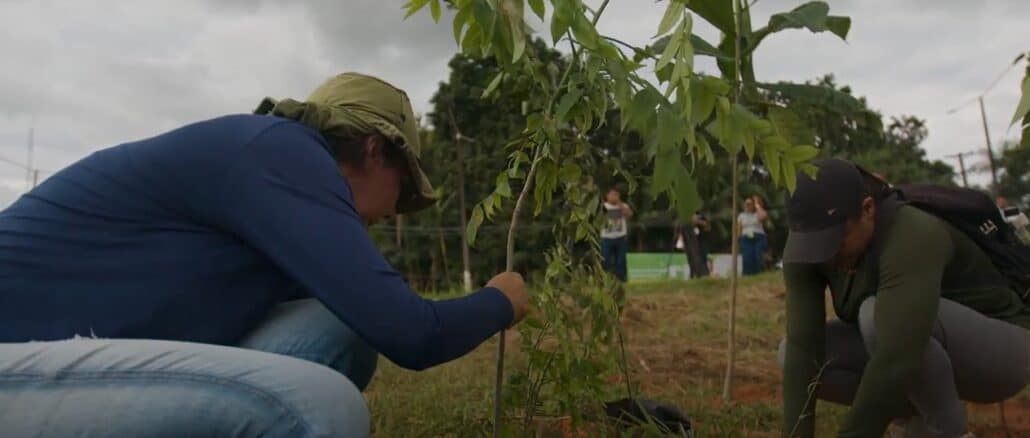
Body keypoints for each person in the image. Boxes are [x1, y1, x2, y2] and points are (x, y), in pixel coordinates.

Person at [0, 73, 531, 437]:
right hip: (12, 363)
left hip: (56, 362)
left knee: (337, 328)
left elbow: (370, 314)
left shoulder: (274, 181)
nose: (394, 212)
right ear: (374, 149)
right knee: (318, 405)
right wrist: (499, 300)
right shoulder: (282, 153)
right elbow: (414, 334)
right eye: (403, 187)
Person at [777, 158, 1030, 438]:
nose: (824, 253)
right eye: (813, 243)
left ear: (868, 209)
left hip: (1004, 353)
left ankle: (945, 432)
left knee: (875, 317)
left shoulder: (911, 232)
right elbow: (804, 349)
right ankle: (914, 419)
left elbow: (898, 351)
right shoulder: (807, 244)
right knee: (788, 353)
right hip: (915, 354)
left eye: (836, 239)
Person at [601, 187, 633, 282]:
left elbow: (629, 214)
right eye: (612, 194)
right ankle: (605, 279)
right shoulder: (603, 206)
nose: (614, 197)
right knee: (605, 260)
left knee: (620, 261)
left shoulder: (623, 206)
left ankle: (621, 280)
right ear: (607, 196)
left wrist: (619, 203)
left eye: (616, 195)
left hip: (620, 238)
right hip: (606, 238)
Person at [738, 195, 768, 275]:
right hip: (746, 237)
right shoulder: (741, 215)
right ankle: (747, 274)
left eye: (750, 204)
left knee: (758, 255)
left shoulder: (757, 214)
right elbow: (739, 229)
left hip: (759, 237)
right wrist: (739, 239)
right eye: (746, 204)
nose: (747, 205)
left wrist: (757, 205)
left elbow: (763, 217)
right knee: (747, 257)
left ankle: (759, 273)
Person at [677, 212, 711, 278]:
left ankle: (703, 274)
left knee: (701, 258)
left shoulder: (701, 215)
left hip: (700, 243)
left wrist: (697, 221)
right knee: (691, 259)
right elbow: (681, 232)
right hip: (690, 243)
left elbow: (707, 226)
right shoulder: (685, 219)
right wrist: (682, 242)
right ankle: (693, 274)